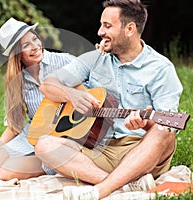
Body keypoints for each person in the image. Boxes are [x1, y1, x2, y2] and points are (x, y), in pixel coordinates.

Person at [34, 0, 183, 199]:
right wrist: (72, 94)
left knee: (164, 131)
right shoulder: (95, 58)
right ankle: (124, 186)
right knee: (44, 145)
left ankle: (100, 190)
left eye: (107, 26)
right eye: (101, 24)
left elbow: (169, 123)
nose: (100, 32)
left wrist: (145, 124)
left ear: (129, 29)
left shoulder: (161, 69)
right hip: (98, 149)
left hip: (140, 151)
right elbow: (47, 84)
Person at [0, 18, 76, 180]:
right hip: (32, 135)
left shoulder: (64, 61)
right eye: (26, 45)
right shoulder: (18, 80)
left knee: (5, 172)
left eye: (35, 39)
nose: (35, 47)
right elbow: (14, 125)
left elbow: (95, 88)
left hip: (62, 136)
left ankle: (52, 163)